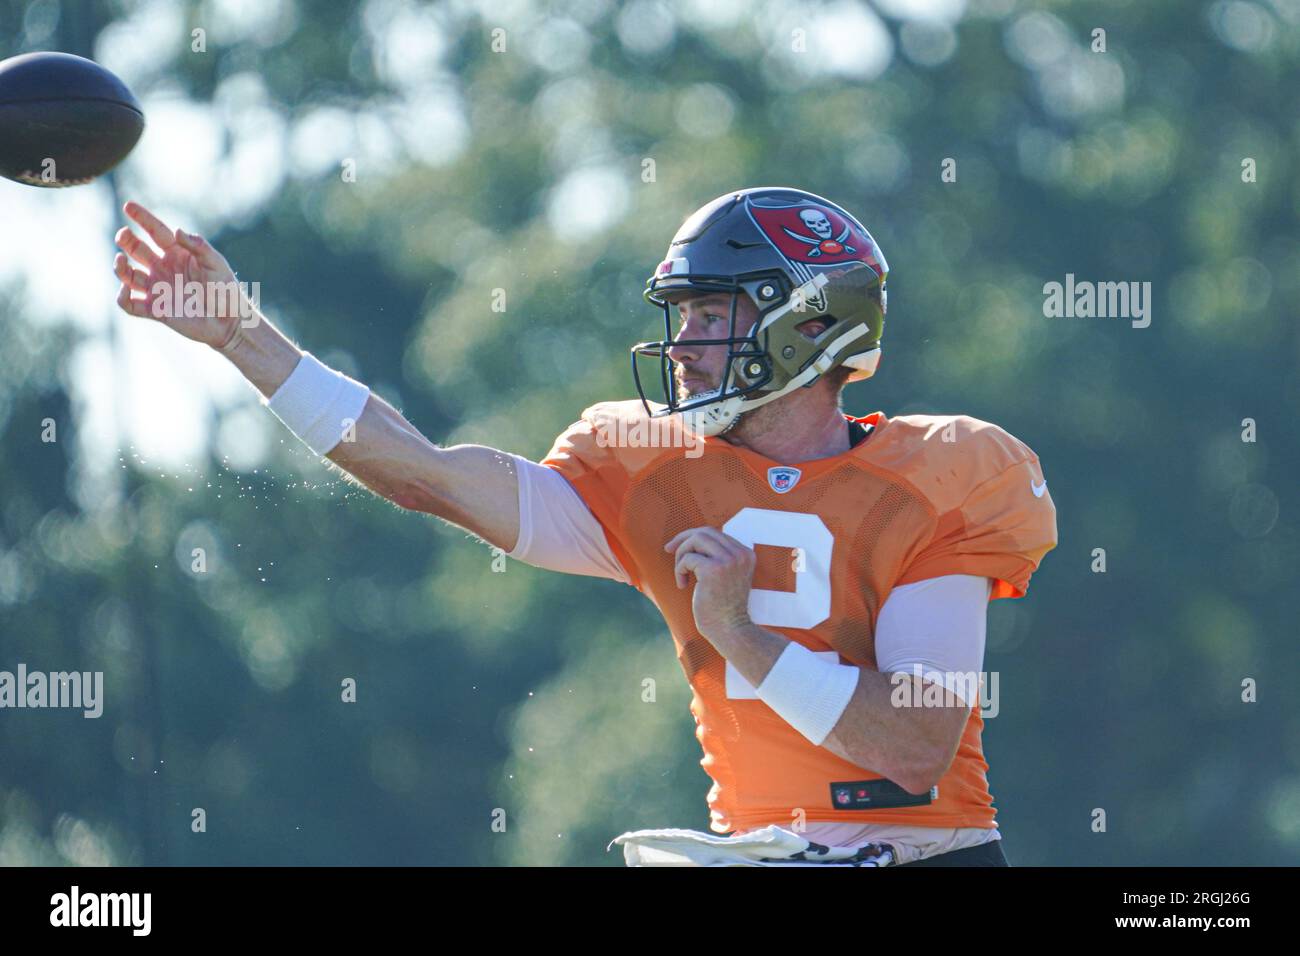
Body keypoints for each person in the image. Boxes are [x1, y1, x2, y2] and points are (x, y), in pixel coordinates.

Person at [113, 186, 1057, 866]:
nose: (683, 346)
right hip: (753, 855)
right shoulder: (654, 472)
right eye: (680, 317)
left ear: (805, 328)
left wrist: (741, 634)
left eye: (712, 315)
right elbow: (427, 477)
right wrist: (243, 336)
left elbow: (912, 747)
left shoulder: (935, 478)